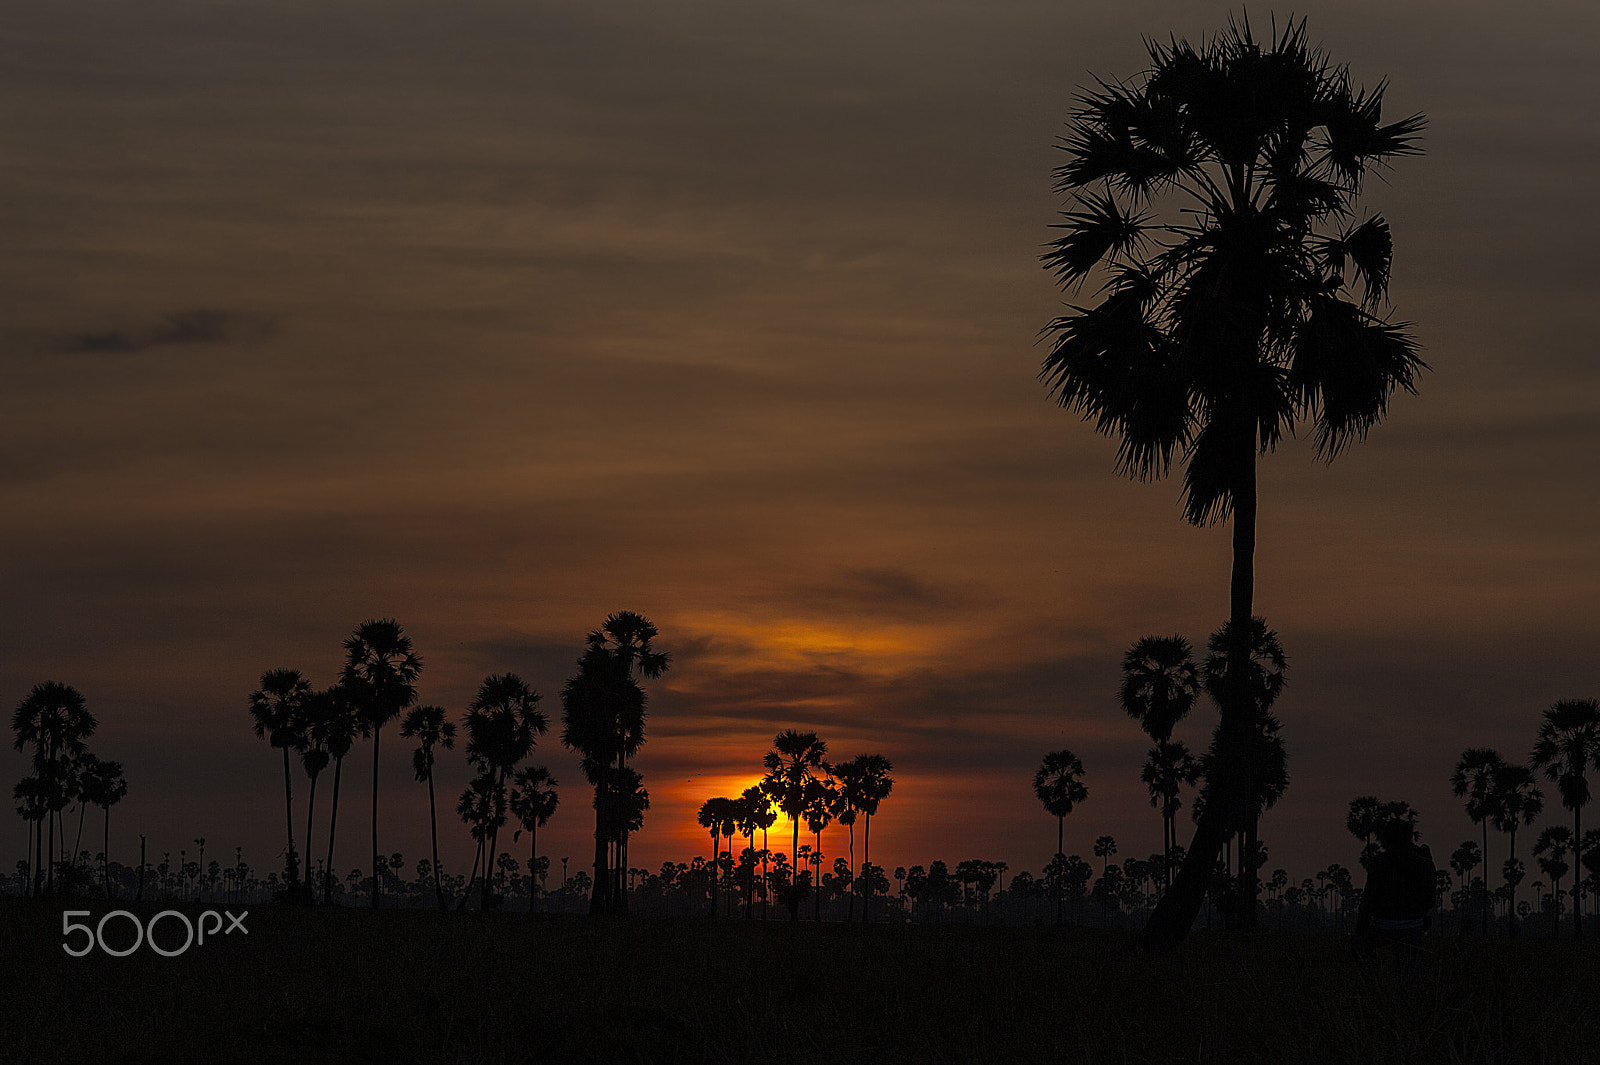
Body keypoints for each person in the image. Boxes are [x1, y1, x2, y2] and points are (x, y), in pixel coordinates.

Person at [1354, 818, 1436, 962]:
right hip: (1413, 928)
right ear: (1410, 837)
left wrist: (1359, 933)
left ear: (1386, 838)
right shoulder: (1424, 864)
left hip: (1382, 929)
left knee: (1364, 957)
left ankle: (1373, 979)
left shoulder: (1379, 863)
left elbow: (1368, 902)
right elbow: (1430, 901)